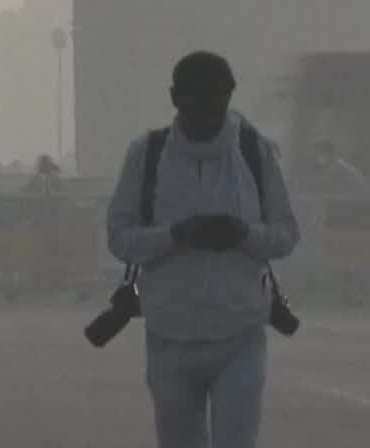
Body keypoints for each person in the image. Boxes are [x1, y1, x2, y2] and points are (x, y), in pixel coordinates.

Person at [106, 51, 301, 448]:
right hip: (170, 336)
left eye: (214, 104)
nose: (205, 119)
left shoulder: (255, 152)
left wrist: (242, 234)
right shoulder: (147, 155)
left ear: (228, 98)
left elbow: (285, 235)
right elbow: (119, 238)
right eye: (196, 105)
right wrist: (175, 235)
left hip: (240, 334)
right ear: (175, 99)